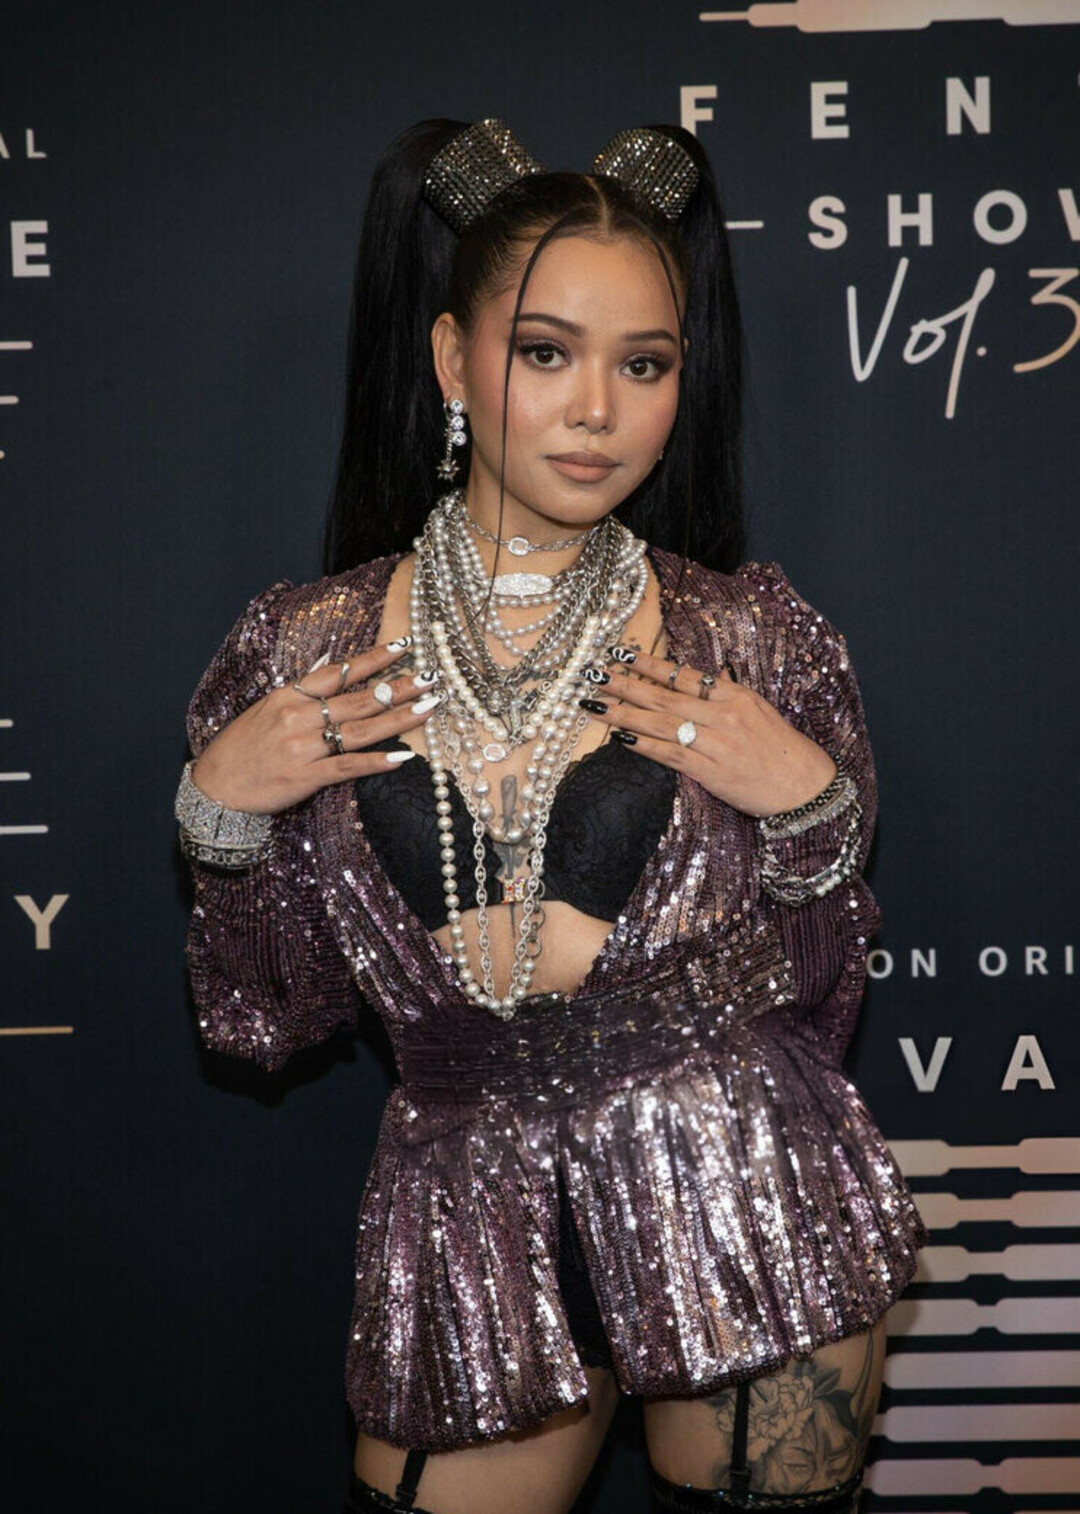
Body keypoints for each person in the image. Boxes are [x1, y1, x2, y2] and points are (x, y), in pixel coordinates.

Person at [175, 118, 929, 1514]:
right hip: (468, 1206)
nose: (597, 410)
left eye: (643, 364)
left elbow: (823, 996)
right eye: (545, 353)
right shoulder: (305, 650)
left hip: (739, 1181)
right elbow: (268, 1016)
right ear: (452, 359)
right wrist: (220, 814)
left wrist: (813, 807)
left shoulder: (754, 641)